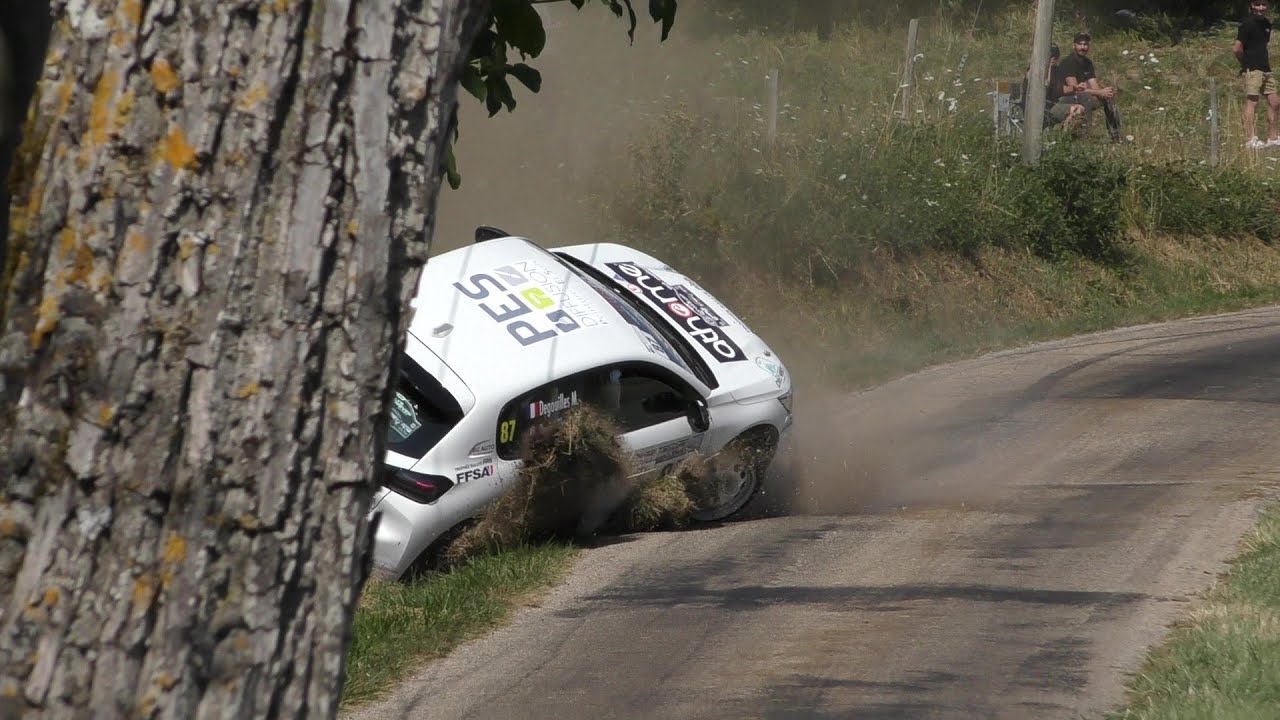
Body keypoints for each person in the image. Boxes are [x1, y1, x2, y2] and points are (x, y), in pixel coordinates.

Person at [1058, 32, 1124, 142]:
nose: (1083, 47)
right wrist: (1099, 93)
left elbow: (1094, 85)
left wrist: (1104, 93)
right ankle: (1086, 134)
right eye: (1080, 44)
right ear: (1074, 45)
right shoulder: (1068, 62)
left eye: (1085, 44)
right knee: (1085, 97)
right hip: (1064, 97)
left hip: (1081, 94)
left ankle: (1116, 135)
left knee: (1108, 97)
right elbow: (1073, 87)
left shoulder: (1087, 63)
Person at [1235, 0, 1280, 149]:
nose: (1260, 8)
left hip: (1266, 68)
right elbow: (1237, 48)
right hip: (1253, 68)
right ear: (1251, 6)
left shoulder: (1267, 24)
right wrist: (1246, 63)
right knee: (1253, 102)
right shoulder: (1247, 24)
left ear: (1268, 6)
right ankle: (1250, 139)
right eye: (1257, 4)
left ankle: (1272, 138)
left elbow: (1263, 45)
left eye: (1263, 5)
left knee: (1275, 102)